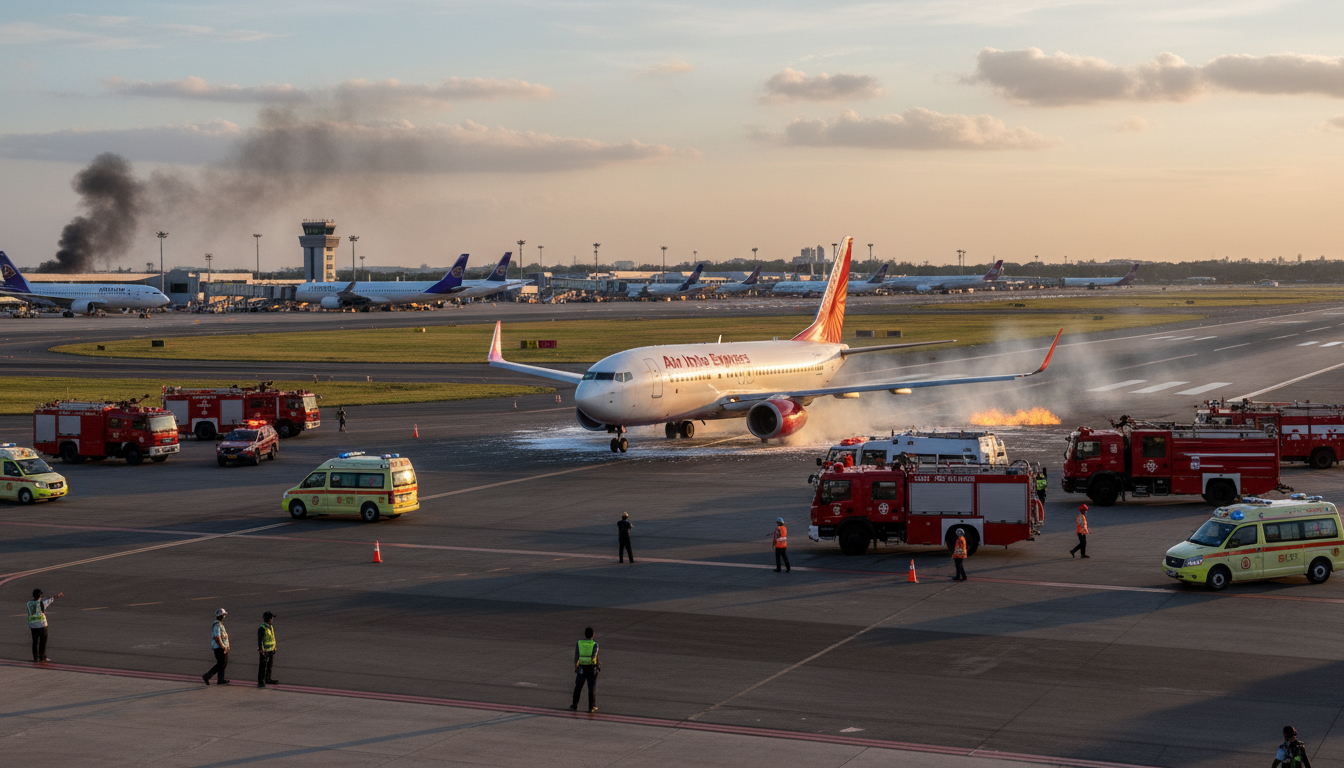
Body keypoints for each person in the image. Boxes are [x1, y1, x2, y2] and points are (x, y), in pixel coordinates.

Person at [27, 588, 63, 663]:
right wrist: (56, 596)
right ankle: (42, 656)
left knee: (35, 641)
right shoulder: (41, 603)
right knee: (43, 641)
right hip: (42, 624)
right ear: (40, 595)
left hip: (33, 625)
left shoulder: (29, 603)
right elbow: (49, 601)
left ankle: (35, 657)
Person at [570, 627, 600, 713]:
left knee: (578, 687)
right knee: (591, 688)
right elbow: (594, 656)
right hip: (591, 668)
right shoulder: (595, 645)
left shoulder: (579, 643)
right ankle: (591, 707)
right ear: (593, 635)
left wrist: (576, 666)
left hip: (582, 667)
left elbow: (576, 656)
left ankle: (574, 704)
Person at [202, 608, 231, 685]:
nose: (225, 616)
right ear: (222, 616)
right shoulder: (217, 624)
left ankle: (220, 679)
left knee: (222, 663)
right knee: (221, 664)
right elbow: (217, 637)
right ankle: (207, 676)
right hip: (218, 648)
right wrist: (222, 646)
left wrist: (227, 645)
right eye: (224, 615)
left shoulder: (220, 624)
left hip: (222, 647)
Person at [257, 611, 279, 688]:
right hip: (265, 650)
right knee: (263, 666)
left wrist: (274, 647)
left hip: (271, 649)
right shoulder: (262, 628)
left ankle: (268, 678)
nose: (272, 619)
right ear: (269, 619)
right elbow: (260, 640)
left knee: (270, 665)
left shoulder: (270, 627)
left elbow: (272, 638)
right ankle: (261, 681)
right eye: (271, 618)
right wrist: (261, 649)